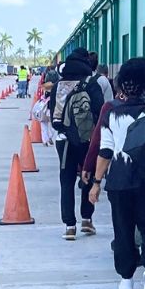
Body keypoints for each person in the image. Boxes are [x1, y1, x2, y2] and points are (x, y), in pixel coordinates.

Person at [89, 58, 145, 289]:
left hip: (119, 182)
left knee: (123, 229)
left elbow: (105, 151)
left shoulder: (111, 112)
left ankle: (125, 280)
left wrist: (96, 182)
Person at [50, 47, 99, 240]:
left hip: (63, 141)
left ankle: (70, 226)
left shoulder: (58, 86)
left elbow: (53, 113)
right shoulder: (91, 84)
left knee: (66, 181)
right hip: (87, 140)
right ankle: (87, 219)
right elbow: (98, 111)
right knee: (87, 176)